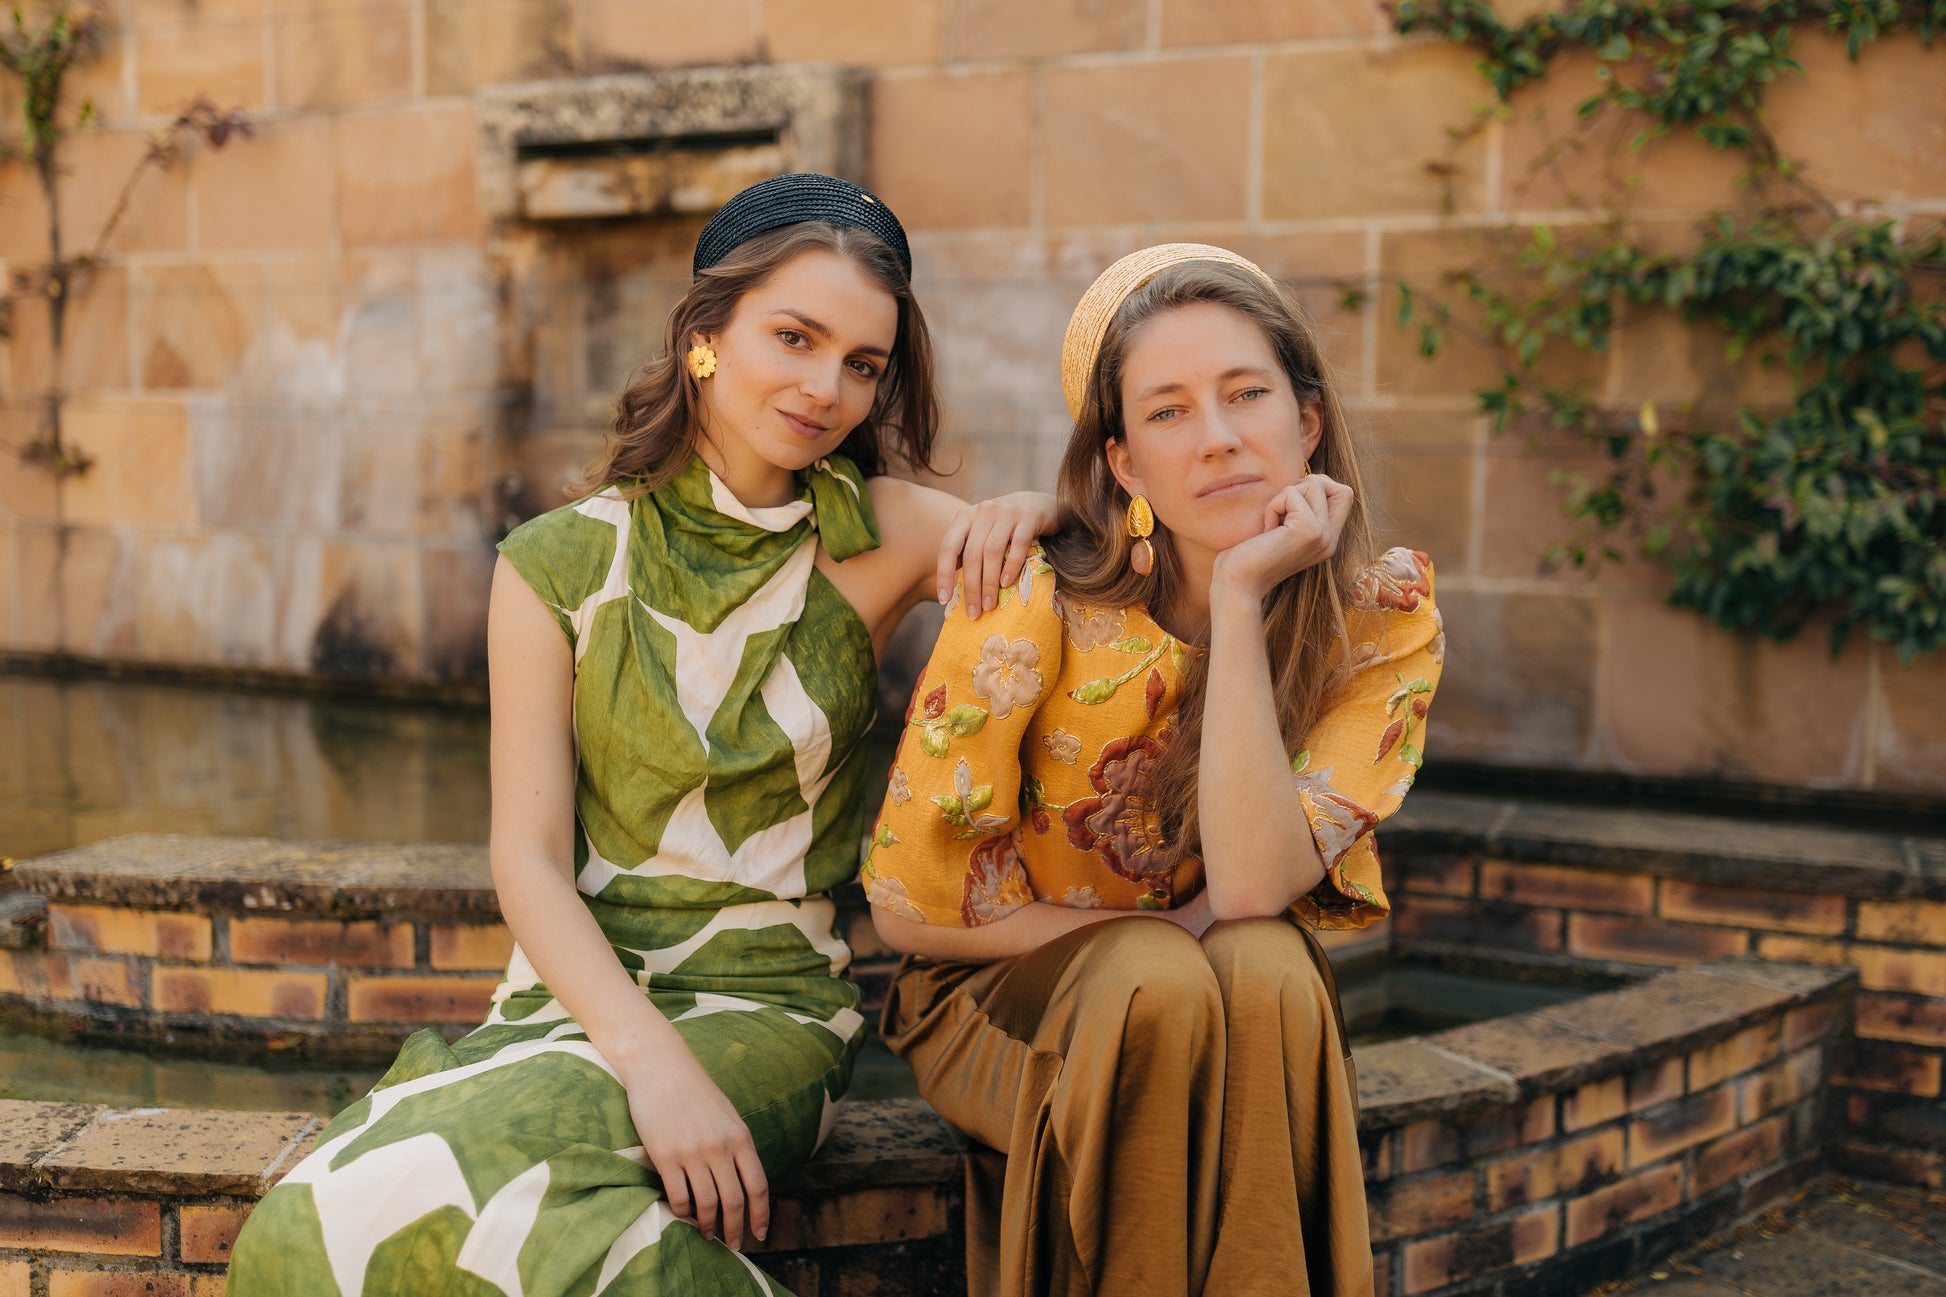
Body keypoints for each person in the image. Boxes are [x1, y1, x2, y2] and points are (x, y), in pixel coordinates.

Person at [225, 173, 1057, 1296]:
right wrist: (651, 1064)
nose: (827, 389)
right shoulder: (556, 562)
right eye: (795, 337)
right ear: (704, 333)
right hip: (571, 1001)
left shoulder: (889, 533)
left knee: (480, 1211)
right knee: (304, 1222)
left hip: (766, 1001)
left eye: (863, 364)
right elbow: (526, 861)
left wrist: (1038, 510)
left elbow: (1099, 585)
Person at [861, 243, 1446, 1297]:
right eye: (1168, 412)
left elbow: (1253, 890)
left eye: (1246, 394)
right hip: (997, 995)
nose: (1217, 438)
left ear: (1307, 420)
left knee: (1267, 961)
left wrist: (1239, 597)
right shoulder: (1032, 598)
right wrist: (1165, 933)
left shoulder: (1377, 622)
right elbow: (907, 915)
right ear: (1124, 463)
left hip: (1216, 978)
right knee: (1155, 978)